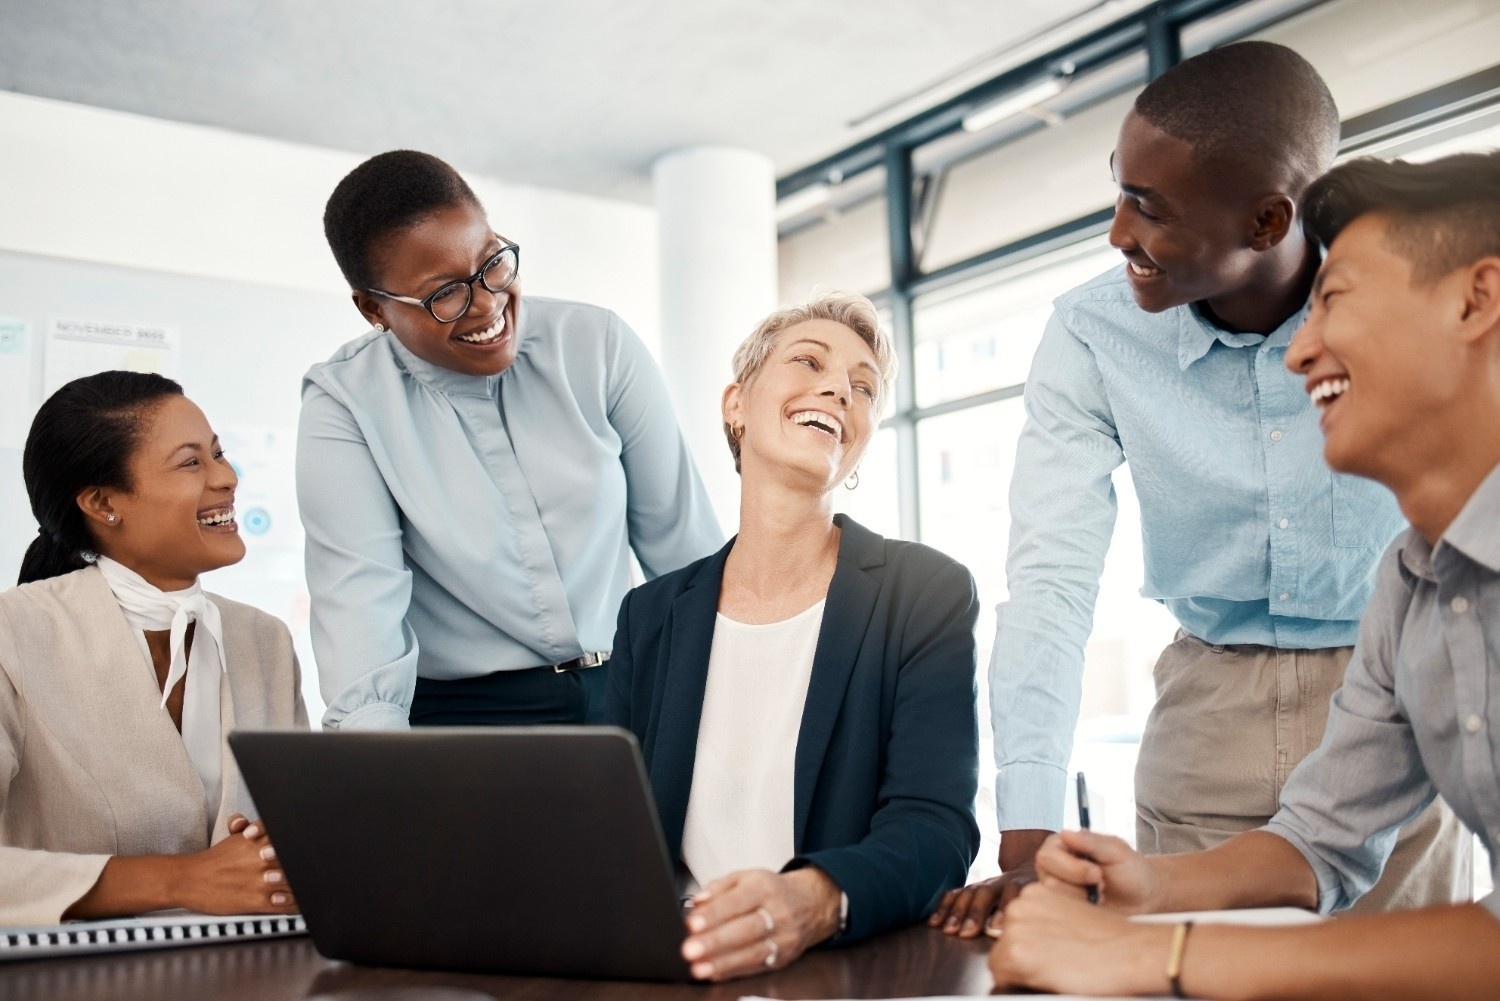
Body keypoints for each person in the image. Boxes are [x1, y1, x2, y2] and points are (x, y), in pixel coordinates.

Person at [932, 41, 1467, 937]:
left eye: (1149, 207)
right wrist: (1028, 842)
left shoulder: (1396, 299)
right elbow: (1052, 582)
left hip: (1402, 703)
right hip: (1205, 717)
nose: (1116, 233)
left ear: (1265, 222)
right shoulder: (1092, 335)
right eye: (1119, 190)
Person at [605, 293, 981, 981]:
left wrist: (811, 900)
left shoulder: (923, 592)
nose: (839, 387)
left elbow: (935, 828)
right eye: (808, 360)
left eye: (864, 387)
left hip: (835, 973)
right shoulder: (649, 615)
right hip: (675, 970)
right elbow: (612, 835)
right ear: (736, 404)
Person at [300, 150, 722, 730]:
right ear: (373, 309)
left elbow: (685, 553)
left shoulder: (596, 345)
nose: (488, 304)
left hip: (630, 693)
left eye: (492, 261)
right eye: (444, 294)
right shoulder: (344, 405)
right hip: (467, 721)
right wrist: (384, 784)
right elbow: (359, 613)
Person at [0, 371, 307, 925]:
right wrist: (181, 880)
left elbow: (300, 838)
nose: (227, 478)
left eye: (219, 454)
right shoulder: (12, 633)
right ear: (102, 502)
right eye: (192, 462)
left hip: (251, 971)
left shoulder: (265, 641)